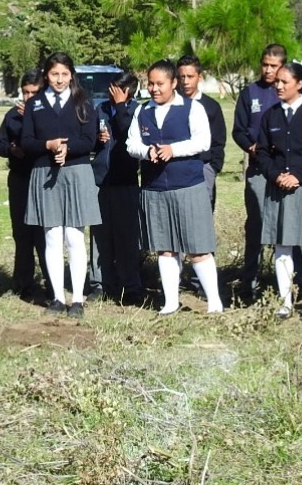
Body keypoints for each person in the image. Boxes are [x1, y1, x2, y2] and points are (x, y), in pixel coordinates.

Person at [127, 60, 222, 315]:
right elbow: (131, 144)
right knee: (165, 248)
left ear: (173, 83)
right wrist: (146, 151)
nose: (154, 89)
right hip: (154, 188)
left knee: (197, 248)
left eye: (160, 84)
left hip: (188, 186)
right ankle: (170, 303)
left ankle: (214, 303)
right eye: (151, 84)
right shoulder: (142, 111)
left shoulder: (192, 108)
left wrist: (173, 150)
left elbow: (203, 141)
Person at [20, 52, 101, 319]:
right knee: (52, 236)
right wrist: (48, 145)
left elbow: (89, 140)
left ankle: (77, 299)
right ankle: (56, 297)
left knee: (75, 236)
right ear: (46, 75)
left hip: (77, 172)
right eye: (55, 74)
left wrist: (68, 148)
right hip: (44, 173)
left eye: (65, 74)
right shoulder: (35, 103)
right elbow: (26, 142)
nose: (60, 79)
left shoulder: (83, 101)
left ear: (71, 75)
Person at [258, 62, 302, 321]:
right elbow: (262, 152)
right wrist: (276, 174)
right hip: (278, 187)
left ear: (299, 84)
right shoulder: (270, 115)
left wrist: (298, 176)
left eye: (284, 82)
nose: (278, 86)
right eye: (276, 81)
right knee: (282, 245)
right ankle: (285, 303)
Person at [231, 44, 287, 299]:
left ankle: (286, 283)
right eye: (265, 64)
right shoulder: (250, 93)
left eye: (273, 66)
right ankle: (250, 283)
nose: (268, 70)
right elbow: (238, 131)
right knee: (256, 224)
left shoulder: (289, 92)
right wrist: (251, 147)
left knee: (285, 226)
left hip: (284, 171)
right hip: (257, 171)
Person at [0, 69, 53, 302]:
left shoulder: (49, 115)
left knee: (44, 234)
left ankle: (52, 283)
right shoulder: (13, 115)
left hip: (43, 179)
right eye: (25, 92)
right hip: (19, 179)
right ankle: (23, 283)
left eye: (34, 93)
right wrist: (11, 149)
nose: (29, 97)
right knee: (21, 232)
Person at [90, 71, 144, 306]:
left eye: (116, 89)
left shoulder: (136, 110)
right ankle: (99, 284)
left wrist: (121, 106)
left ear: (127, 91)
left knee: (126, 237)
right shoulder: (100, 109)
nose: (110, 92)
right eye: (110, 88)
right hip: (101, 180)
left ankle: (130, 286)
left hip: (125, 180)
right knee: (99, 236)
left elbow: (126, 133)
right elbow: (89, 141)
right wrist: (97, 139)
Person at [176, 54, 227, 210]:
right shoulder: (171, 105)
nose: (185, 81)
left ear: (200, 77)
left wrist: (212, 168)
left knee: (202, 215)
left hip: (203, 168)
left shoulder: (211, 107)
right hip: (177, 169)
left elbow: (218, 141)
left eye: (190, 76)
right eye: (182, 76)